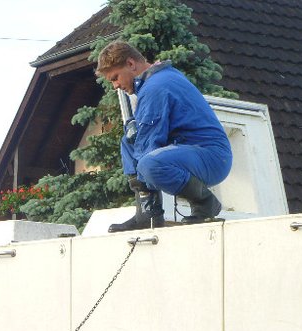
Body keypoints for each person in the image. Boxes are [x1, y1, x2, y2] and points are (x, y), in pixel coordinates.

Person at [96, 40, 233, 232]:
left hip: (211, 157)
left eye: (115, 77)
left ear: (130, 64)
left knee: (149, 164)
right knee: (130, 138)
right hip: (192, 152)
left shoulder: (155, 87)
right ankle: (147, 214)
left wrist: (141, 174)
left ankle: (205, 204)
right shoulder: (158, 79)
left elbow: (148, 144)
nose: (115, 86)